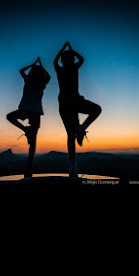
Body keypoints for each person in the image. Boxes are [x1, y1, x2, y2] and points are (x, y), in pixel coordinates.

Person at [54, 42, 102, 177]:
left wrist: (64, 48)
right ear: (71, 59)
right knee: (96, 109)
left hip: (64, 103)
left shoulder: (60, 69)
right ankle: (81, 129)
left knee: (70, 134)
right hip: (73, 101)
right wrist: (71, 49)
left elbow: (55, 60)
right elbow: (81, 59)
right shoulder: (74, 67)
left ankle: (72, 165)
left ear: (63, 60)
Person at [6, 57, 50, 178]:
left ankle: (26, 130)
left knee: (10, 117)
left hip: (25, 110)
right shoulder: (42, 83)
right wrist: (41, 66)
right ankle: (29, 169)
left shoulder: (28, 80)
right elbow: (49, 77)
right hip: (35, 112)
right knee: (33, 143)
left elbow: (21, 70)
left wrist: (32, 64)